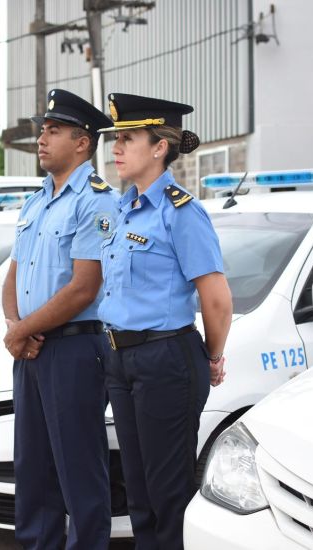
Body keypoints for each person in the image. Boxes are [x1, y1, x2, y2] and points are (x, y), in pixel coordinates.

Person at [96, 92, 232, 550]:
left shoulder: (181, 212)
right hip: (121, 359)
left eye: (128, 139)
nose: (116, 148)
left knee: (167, 493)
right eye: (116, 139)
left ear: (159, 147)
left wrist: (212, 356)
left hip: (165, 358)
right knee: (137, 491)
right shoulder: (123, 208)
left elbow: (216, 300)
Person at [1, 89, 117, 550]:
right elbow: (13, 275)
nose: (41, 139)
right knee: (33, 467)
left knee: (78, 468)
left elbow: (84, 287)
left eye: (53, 131)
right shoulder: (36, 201)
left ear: (83, 143)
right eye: (42, 131)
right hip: (31, 348)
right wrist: (15, 326)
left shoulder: (97, 201)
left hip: (73, 347)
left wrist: (23, 330)